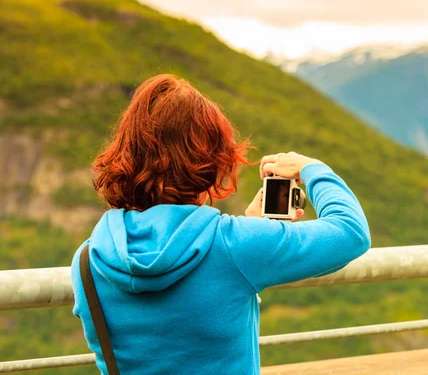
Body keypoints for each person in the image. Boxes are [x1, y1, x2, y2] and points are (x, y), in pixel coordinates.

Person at [70, 74, 371, 375]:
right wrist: (311, 168)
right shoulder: (235, 244)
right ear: (210, 162)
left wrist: (249, 229)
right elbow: (351, 232)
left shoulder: (87, 261)